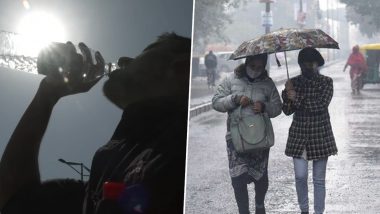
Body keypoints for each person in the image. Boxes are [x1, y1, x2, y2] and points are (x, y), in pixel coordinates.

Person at [0, 33, 191, 214]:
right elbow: (15, 197)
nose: (124, 59)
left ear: (182, 69)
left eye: (148, 50)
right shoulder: (100, 183)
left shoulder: (190, 155)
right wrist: (47, 94)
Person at [212, 53, 282, 214]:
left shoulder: (268, 83)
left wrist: (264, 106)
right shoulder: (230, 80)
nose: (255, 70)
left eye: (259, 67)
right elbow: (216, 102)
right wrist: (234, 99)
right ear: (246, 63)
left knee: (261, 177)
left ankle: (259, 205)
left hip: (260, 138)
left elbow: (277, 107)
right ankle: (243, 211)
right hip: (236, 138)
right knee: (238, 179)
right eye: (252, 66)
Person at [282, 47, 338, 214]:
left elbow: (320, 105)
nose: (309, 66)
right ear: (300, 64)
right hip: (299, 137)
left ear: (317, 63)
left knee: (319, 180)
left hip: (320, 136)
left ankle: (318, 212)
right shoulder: (294, 83)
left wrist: (296, 97)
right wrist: (287, 94)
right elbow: (286, 111)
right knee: (300, 176)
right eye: (305, 63)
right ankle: (304, 210)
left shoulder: (326, 82)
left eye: (312, 63)